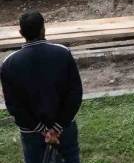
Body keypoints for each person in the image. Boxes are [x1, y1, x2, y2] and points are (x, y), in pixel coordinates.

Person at [1, 12, 83, 162]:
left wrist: (41, 130)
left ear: (21, 33)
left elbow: (14, 105)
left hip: (31, 132)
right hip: (65, 127)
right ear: (43, 29)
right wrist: (57, 127)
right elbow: (75, 94)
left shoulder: (9, 64)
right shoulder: (63, 53)